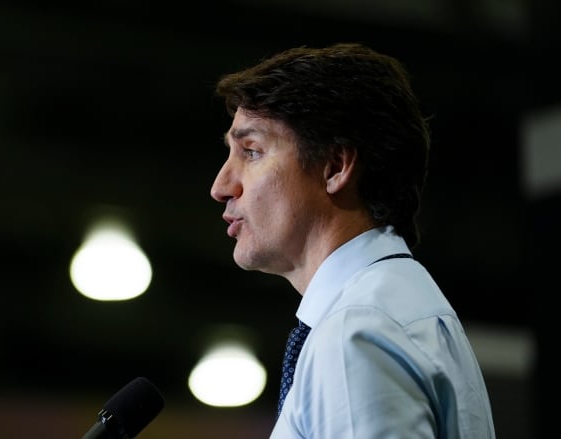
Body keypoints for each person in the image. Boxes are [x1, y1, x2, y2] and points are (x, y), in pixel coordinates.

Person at [209, 42, 496, 438]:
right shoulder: (390, 307)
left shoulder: (356, 329)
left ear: (336, 166)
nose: (221, 186)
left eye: (251, 151)